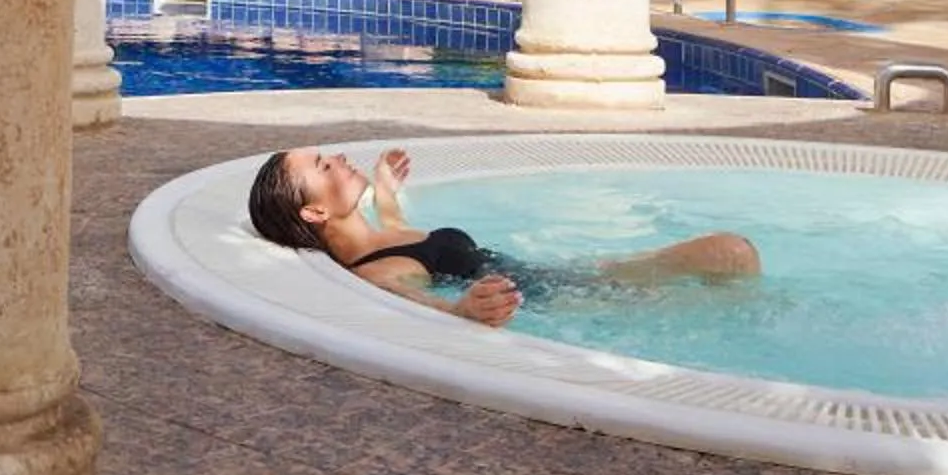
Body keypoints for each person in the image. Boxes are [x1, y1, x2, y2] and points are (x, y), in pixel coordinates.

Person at [246, 145, 760, 327]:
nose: (336, 159)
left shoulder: (386, 238)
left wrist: (384, 189)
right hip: (565, 298)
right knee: (730, 253)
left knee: (731, 256)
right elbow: (408, 301)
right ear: (314, 210)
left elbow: (400, 228)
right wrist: (463, 312)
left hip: (570, 273)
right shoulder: (375, 272)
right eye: (322, 165)